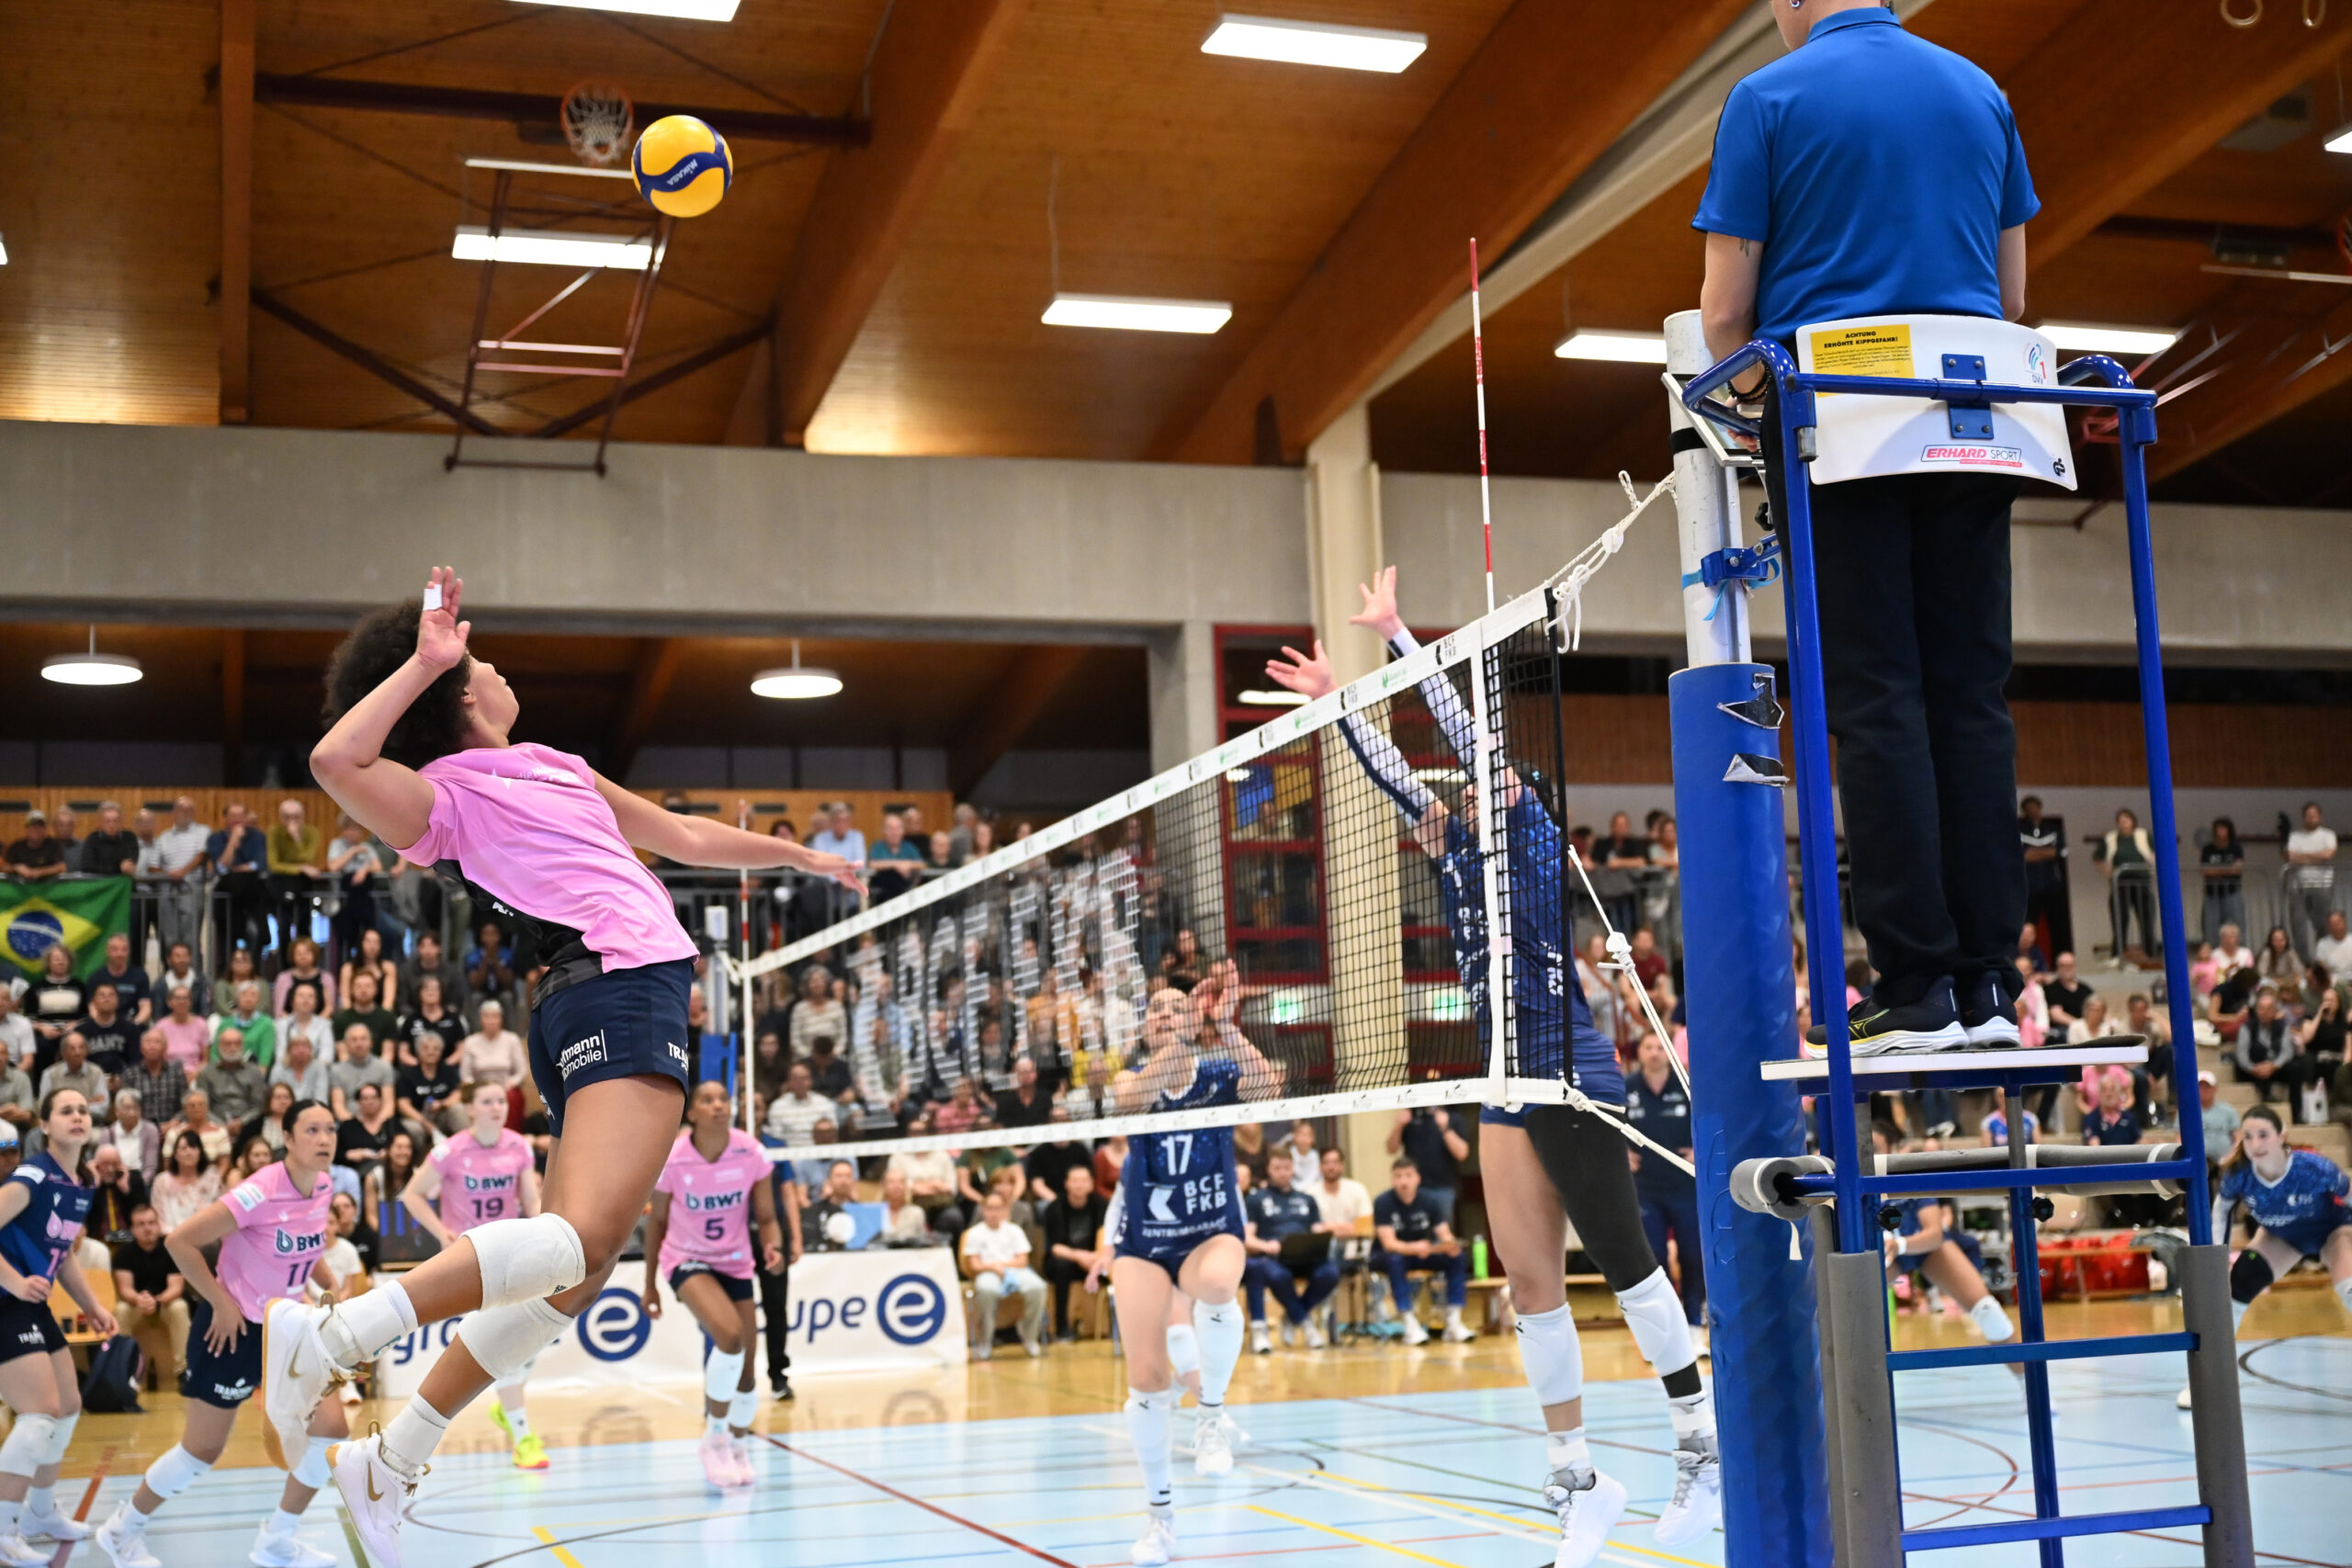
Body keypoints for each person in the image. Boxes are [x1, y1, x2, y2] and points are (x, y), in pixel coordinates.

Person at [264, 568, 865, 1568]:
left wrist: (798, 859)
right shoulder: (442, 799)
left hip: (614, 994)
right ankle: (331, 1337)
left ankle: (392, 1459)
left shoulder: (558, 765)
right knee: (580, 1238)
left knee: (576, 1274)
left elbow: (680, 835)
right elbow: (334, 758)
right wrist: (425, 660)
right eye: (481, 663)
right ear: (458, 695)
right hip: (613, 987)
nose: (497, 668)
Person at [1268, 570, 1720, 1562]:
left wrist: (1399, 636)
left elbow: (1464, 735)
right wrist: (1334, 701)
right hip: (1503, 1078)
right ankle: (1579, 1480)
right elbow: (1396, 776)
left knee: (1624, 1260)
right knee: (1529, 1285)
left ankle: (1700, 1445)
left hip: (1568, 1067)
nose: (1468, 789)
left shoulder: (1532, 841)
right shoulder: (1455, 855)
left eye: (1485, 783)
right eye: (1468, 789)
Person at [1698, 0, 2034, 1055]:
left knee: (1876, 693)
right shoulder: (1979, 90)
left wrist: (1748, 403)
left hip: (1839, 416)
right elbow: (2008, 292)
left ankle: (1917, 985)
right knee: (1969, 693)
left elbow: (1723, 315)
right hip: (1974, 411)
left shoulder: (1766, 97)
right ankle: (1989, 983)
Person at [95, 1100, 348, 1568]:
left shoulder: (324, 1184)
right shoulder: (259, 1192)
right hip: (233, 1332)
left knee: (331, 1433)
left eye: (330, 1129)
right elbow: (179, 1242)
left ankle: (276, 1540)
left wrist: (327, 1283)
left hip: (288, 1328)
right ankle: (121, 1528)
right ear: (286, 1139)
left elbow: (308, 1243)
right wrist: (220, 1302)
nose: (324, 1139)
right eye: (312, 1130)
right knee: (200, 1452)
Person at [1099, 975, 1277, 1566]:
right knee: (1146, 1379)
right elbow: (1129, 1100)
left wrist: (1223, 1024)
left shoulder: (1220, 1075)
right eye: (1156, 1009)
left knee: (1222, 1284)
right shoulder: (1132, 1078)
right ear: (1145, 1026)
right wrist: (1181, 1034)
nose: (1165, 1014)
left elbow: (1269, 1087)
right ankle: (1161, 1521)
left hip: (1210, 1229)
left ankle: (1211, 1416)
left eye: (1177, 1007)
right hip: (1145, 1242)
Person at [641, 1080, 784, 1489]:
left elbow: (767, 1217)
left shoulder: (750, 1151)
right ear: (692, 1113)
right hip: (686, 1259)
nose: (719, 1105)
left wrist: (772, 1246)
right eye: (707, 1100)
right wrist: (650, 1285)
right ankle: (714, 1438)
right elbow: (657, 1222)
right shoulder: (673, 1158)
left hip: (735, 1261)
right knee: (730, 1336)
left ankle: (737, 1445)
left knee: (748, 1373)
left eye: (723, 1099)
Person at [401, 1082, 546, 1471]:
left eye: (500, 1100)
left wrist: (546, 1232)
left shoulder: (518, 1146)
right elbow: (412, 1194)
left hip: (513, 1252)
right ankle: (523, 1437)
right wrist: (440, 1231)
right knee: (504, 1341)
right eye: (487, 1101)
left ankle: (507, 1410)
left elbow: (530, 1200)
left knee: (533, 1335)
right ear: (469, 1109)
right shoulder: (450, 1151)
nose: (497, 1107)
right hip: (470, 1259)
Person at [0, 1090, 111, 1562]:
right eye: (66, 1111)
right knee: (39, 1412)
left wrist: (92, 1306)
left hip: (31, 1303)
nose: (78, 1116)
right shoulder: (32, 1176)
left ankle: (40, 1513)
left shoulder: (82, 1181)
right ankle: (3, 1528)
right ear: (45, 1126)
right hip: (5, 1300)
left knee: (67, 1407)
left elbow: (61, 1254)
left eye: (83, 1110)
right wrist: (15, 1281)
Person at [2179, 1105, 2352, 1407]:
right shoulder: (2239, 1175)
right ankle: (2206, 1381)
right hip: (2281, 1237)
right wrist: (2216, 1262)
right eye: (2248, 1137)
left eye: (2263, 1135)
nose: (2255, 1144)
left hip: (2332, 1232)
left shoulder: (2314, 1167)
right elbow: (2220, 1213)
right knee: (2237, 1286)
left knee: (2349, 1291)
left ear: (2281, 1136)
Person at [1867, 1122, 2017, 1347]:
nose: (1868, 1156)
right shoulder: (1850, 1186)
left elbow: (1935, 1234)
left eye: (1875, 1149)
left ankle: (2025, 1369)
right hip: (1884, 1254)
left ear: (1892, 1149)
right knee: (1850, 1312)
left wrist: (1899, 1244)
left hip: (1926, 1248)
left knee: (1989, 1313)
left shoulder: (1910, 1177)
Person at [1623, 1033, 1704, 1332]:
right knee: (1654, 1257)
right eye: (1649, 1047)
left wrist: (1700, 1149)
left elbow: (1711, 1119)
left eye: (1660, 1047)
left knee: (1693, 1255)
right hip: (1645, 1189)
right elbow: (1605, 1125)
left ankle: (1694, 1322)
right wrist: (1621, 1150)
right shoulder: (1626, 1087)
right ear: (1639, 1052)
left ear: (1669, 1053)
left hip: (1684, 1186)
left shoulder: (1687, 1084)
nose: (1655, 1053)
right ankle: (1670, 1324)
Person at [1241, 1148, 1338, 1352]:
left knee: (1330, 1273)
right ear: (1268, 1169)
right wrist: (1266, 1246)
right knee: (1276, 1275)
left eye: (1286, 1168)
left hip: (1306, 1255)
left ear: (1293, 1169)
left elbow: (1317, 1228)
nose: (1282, 1173)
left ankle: (1293, 1316)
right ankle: (1306, 1323)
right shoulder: (1256, 1199)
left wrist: (1324, 1236)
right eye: (1277, 1168)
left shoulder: (1307, 1199)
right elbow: (1247, 1238)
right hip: (1274, 1257)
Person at [1372, 1158, 1471, 1346]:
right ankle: (1409, 1322)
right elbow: (1389, 1243)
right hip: (1391, 1255)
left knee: (1456, 1257)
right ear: (1392, 1179)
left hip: (1423, 1252)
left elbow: (1444, 1233)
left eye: (1408, 1176)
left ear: (1417, 1178)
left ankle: (1454, 1320)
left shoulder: (1430, 1201)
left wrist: (1450, 1245)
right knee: (1395, 1260)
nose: (1404, 1181)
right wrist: (1414, 1248)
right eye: (1398, 1176)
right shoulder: (1383, 1202)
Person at [961, 1190, 1047, 1359]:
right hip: (987, 1271)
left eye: (998, 1208)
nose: (994, 1213)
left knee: (1038, 1287)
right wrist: (993, 1267)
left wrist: (1002, 1266)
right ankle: (985, 1340)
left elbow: (1022, 1260)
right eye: (990, 1208)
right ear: (983, 1210)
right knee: (987, 1290)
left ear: (1004, 1210)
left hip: (1014, 1270)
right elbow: (974, 1264)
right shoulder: (974, 1233)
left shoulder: (1014, 1231)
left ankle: (1030, 1336)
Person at [112, 1202, 189, 1384]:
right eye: (141, 1224)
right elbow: (125, 1289)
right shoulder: (124, 1254)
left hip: (165, 1303)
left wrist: (156, 1301)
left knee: (179, 1307)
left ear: (159, 1225)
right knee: (121, 1310)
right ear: (132, 1229)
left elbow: (176, 1288)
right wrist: (141, 1300)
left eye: (151, 1223)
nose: (147, 1228)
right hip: (137, 1304)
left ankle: (184, 1371)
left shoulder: (172, 1249)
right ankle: (121, 1370)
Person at [1039, 1164, 1107, 1340]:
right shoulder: (1055, 1208)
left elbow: (1105, 1238)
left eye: (1084, 1180)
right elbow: (1055, 1247)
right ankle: (1062, 1328)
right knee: (1062, 1266)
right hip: (1065, 1259)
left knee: (1117, 1264)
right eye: (1075, 1181)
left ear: (1091, 1183)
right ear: (1066, 1184)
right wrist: (1079, 1256)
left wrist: (1096, 1257)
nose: (1079, 1185)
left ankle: (1117, 1326)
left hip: (1094, 1258)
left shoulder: (1101, 1205)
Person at [2286, 803, 2339, 959]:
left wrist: (2303, 856)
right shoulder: (2295, 836)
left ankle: (2323, 960)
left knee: (2322, 925)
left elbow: (2328, 855)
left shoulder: (2328, 835)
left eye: (2314, 815)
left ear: (2320, 816)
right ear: (2303, 818)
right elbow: (2291, 857)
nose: (2311, 818)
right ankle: (2304, 962)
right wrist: (2316, 856)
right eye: (2308, 815)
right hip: (2299, 886)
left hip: (2322, 885)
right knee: (2298, 926)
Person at [152, 1131, 220, 1233]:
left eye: (193, 1147)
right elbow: (159, 1217)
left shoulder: (212, 1178)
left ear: (200, 1152)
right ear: (175, 1155)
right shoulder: (162, 1181)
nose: (189, 1152)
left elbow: (218, 1213)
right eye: (183, 1148)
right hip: (171, 1236)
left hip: (206, 1236)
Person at [198, 1027, 268, 1128]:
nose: (232, 1048)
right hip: (215, 1126)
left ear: (243, 1046)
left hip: (248, 1126)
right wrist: (221, 1125)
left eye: (237, 1044)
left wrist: (241, 1122)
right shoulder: (206, 1073)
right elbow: (203, 1107)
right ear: (219, 1046)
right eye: (228, 1044)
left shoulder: (254, 1072)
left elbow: (258, 1106)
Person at [2200, 818, 2246, 950]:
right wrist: (2227, 869)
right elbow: (2205, 871)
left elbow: (2237, 869)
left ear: (2229, 830)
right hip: (2212, 893)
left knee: (2236, 924)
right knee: (2211, 927)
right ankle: (2213, 954)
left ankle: (2239, 952)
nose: (2220, 832)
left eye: (2223, 828)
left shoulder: (2235, 847)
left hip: (2232, 891)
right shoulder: (2208, 849)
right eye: (2218, 828)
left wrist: (2216, 870)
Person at [103, 1089, 160, 1183]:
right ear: (117, 1111)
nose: (132, 1113)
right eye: (127, 1108)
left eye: (136, 1108)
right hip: (115, 1181)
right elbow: (104, 1165)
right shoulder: (108, 1133)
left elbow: (150, 1168)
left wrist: (138, 1185)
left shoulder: (150, 1130)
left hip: (141, 1181)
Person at [2, 812, 66, 883]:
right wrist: (16, 868)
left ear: (45, 829)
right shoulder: (16, 846)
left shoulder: (54, 845)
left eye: (40, 826)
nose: (36, 829)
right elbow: (4, 867)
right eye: (33, 826)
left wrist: (38, 872)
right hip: (21, 887)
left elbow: (61, 867)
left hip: (48, 886)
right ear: (26, 829)